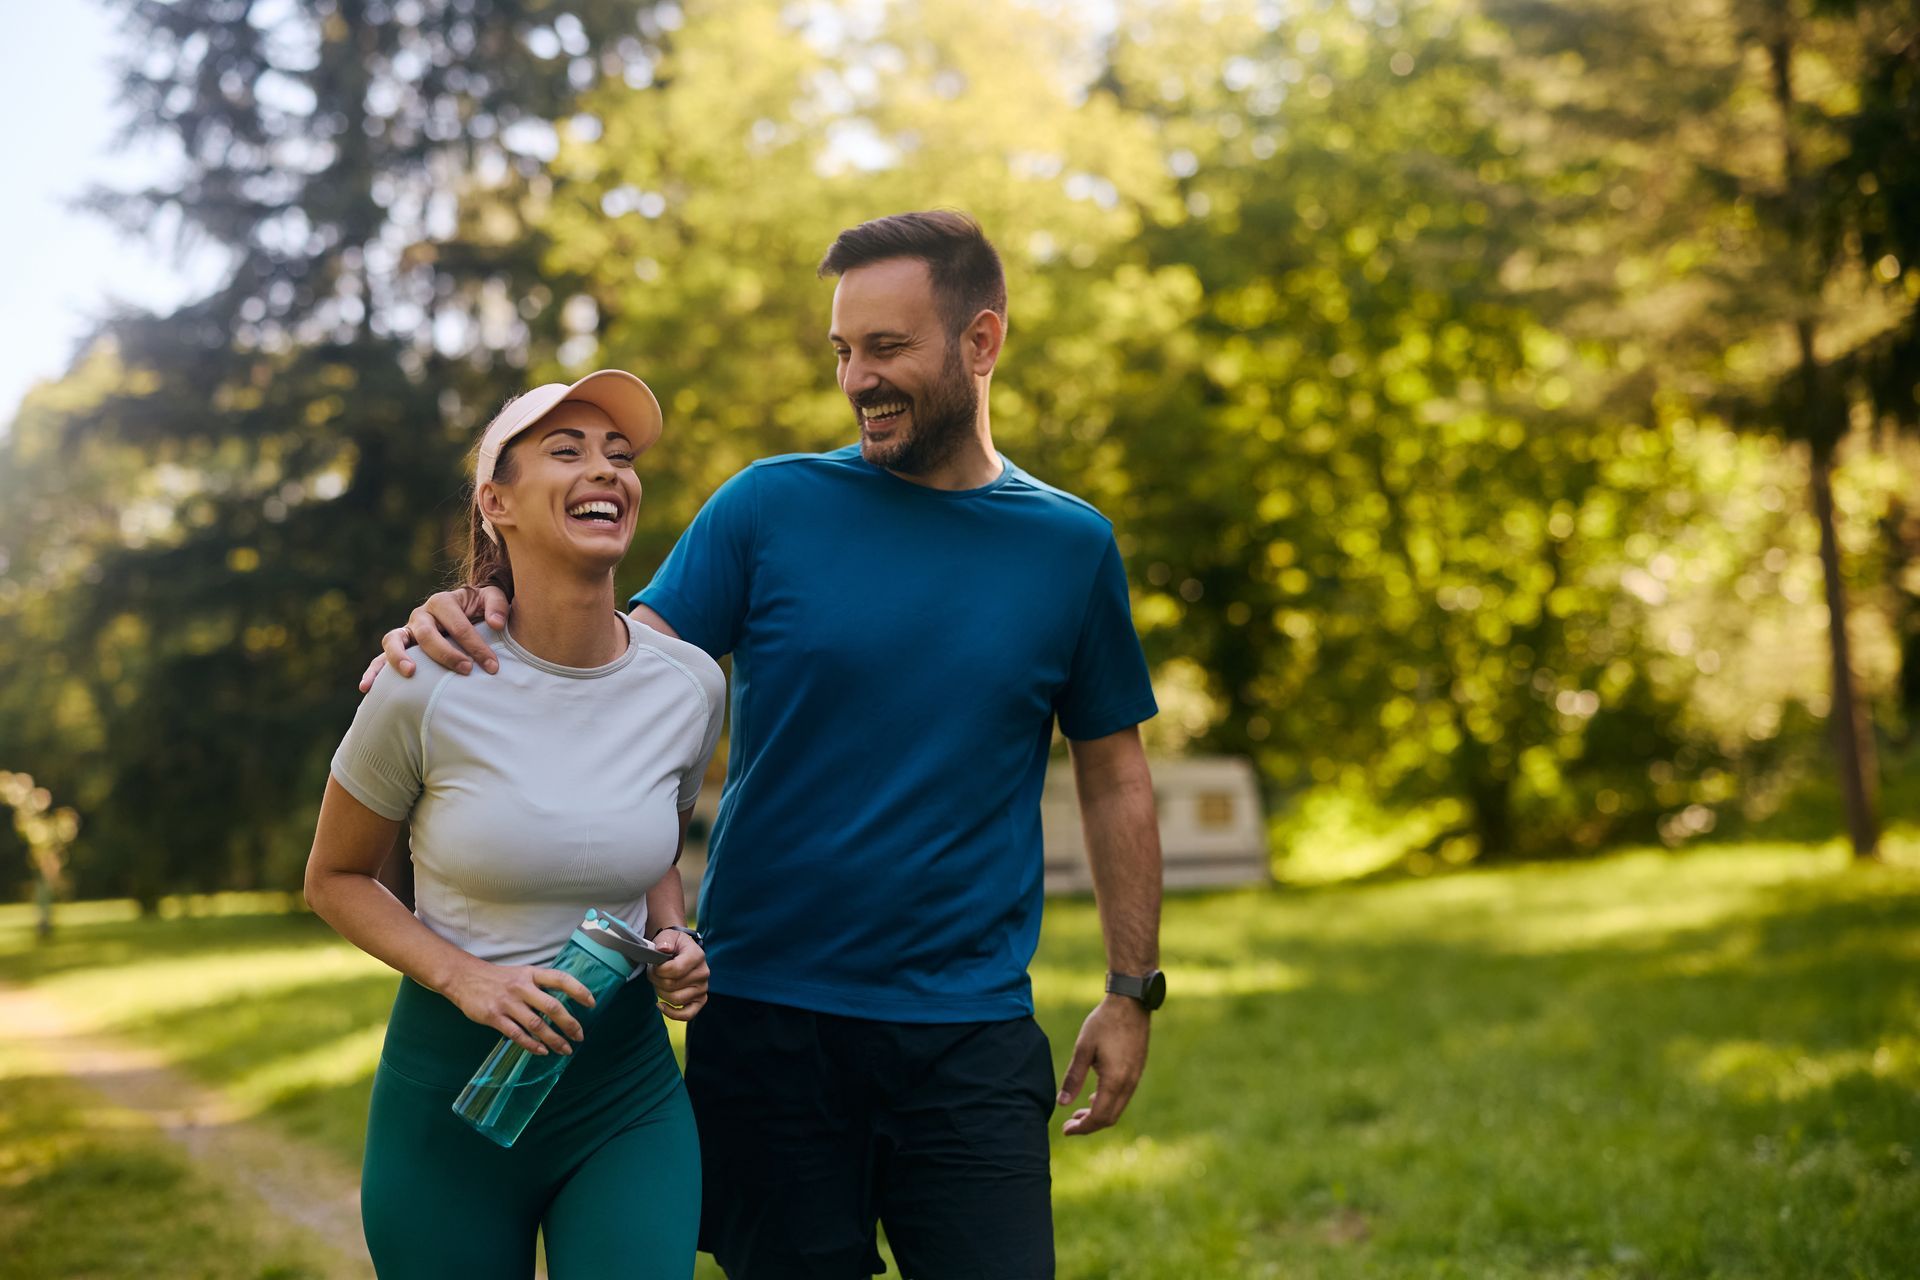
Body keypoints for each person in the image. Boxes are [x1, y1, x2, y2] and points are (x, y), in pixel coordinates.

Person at [367, 211, 1166, 1279]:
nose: (859, 379)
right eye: (845, 351)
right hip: (769, 1028)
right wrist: (470, 611)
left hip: (968, 1034)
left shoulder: (1071, 547)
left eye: (887, 348)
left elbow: (1115, 775)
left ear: (981, 343)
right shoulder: (769, 507)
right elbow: (600, 677)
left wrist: (1130, 986)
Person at [307, 370, 725, 1280]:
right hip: (450, 1096)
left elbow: (651, 836)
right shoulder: (424, 682)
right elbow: (334, 879)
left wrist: (673, 933)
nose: (605, 469)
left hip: (623, 1094)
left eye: (619, 455)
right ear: (497, 502)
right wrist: (469, 981)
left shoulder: (691, 685)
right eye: (567, 451)